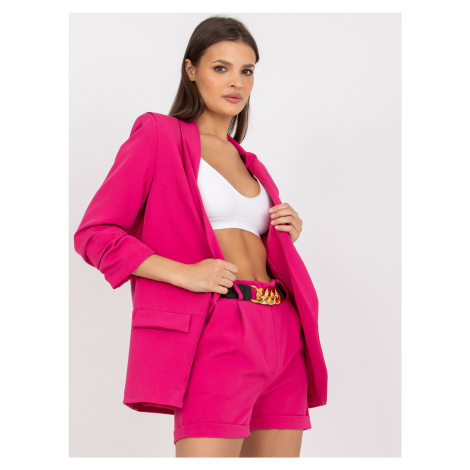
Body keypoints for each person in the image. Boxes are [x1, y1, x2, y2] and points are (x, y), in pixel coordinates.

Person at [74, 15, 328, 458]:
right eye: (221, 68)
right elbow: (95, 234)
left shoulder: (250, 162)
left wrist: (285, 231)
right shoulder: (160, 135)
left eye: (247, 70)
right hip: (218, 326)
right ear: (191, 70)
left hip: (282, 329)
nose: (236, 82)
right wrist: (183, 274)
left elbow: (242, 235)